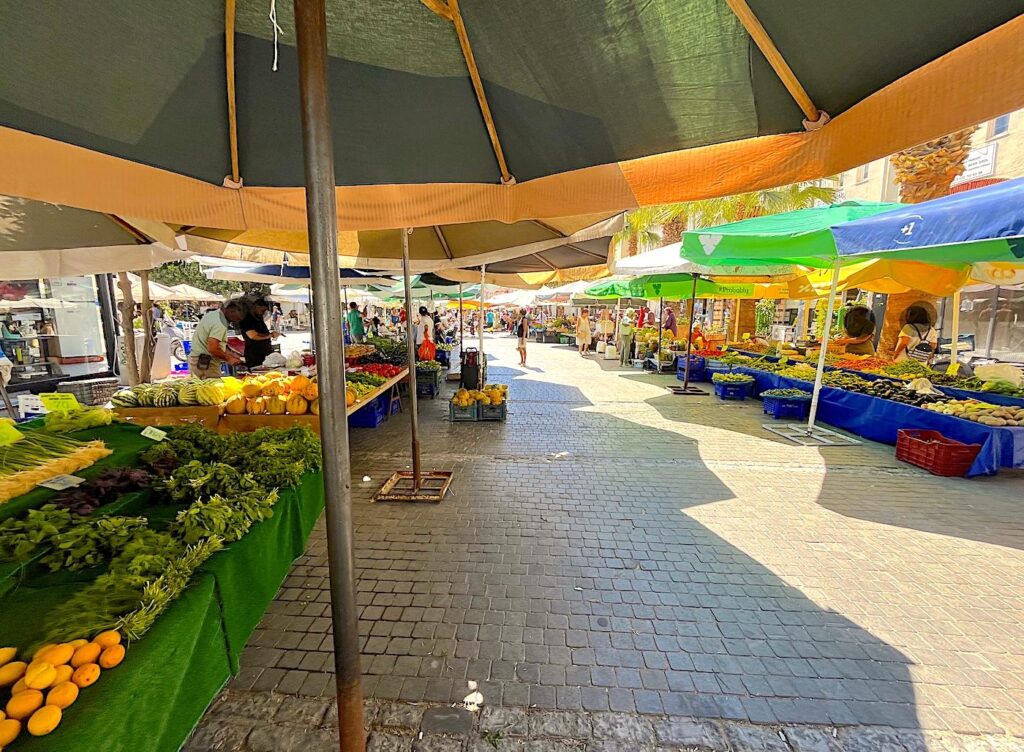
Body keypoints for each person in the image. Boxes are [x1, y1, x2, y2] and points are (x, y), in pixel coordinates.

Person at [189, 299, 246, 377]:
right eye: (238, 318)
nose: (237, 321)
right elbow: (212, 348)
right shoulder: (220, 323)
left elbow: (217, 344)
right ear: (231, 311)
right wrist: (229, 358)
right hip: (205, 363)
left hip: (198, 360)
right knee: (212, 388)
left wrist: (232, 354)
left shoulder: (213, 314)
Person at [238, 296, 279, 368]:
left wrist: (270, 334)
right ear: (255, 307)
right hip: (254, 354)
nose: (263, 313)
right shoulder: (246, 320)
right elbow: (253, 336)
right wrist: (270, 335)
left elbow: (259, 332)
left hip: (265, 352)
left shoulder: (259, 318)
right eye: (262, 311)